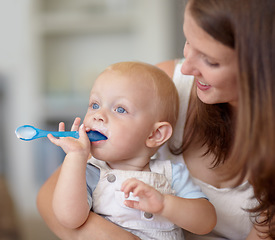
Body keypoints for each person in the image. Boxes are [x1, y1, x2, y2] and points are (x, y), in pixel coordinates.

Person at [37, 0, 275, 239]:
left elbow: (205, 218)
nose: (187, 68)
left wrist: (166, 205)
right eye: (188, 41)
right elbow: (54, 202)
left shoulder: (171, 175)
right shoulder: (163, 86)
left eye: (210, 60)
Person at [45, 61, 216, 240]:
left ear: (155, 134)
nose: (98, 116)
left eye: (120, 109)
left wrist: (165, 205)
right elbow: (69, 219)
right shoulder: (90, 172)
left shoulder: (171, 175)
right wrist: (75, 157)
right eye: (95, 105)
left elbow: (207, 222)